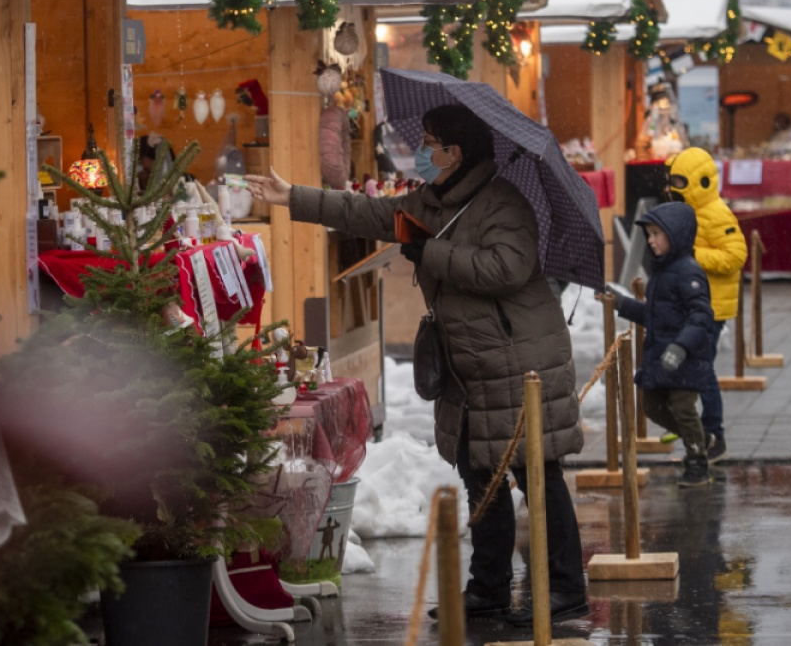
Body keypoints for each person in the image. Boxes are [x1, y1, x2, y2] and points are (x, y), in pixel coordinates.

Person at [246, 105, 589, 625]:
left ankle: (565, 589)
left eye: (431, 143)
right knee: (480, 476)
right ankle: (489, 589)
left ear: (455, 152)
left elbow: (507, 267)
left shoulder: (502, 202)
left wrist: (431, 252)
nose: (422, 152)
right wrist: (293, 196)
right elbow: (369, 214)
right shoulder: (432, 201)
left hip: (519, 361)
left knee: (537, 474)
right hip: (470, 366)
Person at [614, 202, 716, 487]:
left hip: (685, 358)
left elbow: (701, 315)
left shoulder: (688, 272)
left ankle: (698, 463)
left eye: (657, 233)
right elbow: (654, 315)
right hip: (661, 355)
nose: (651, 240)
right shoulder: (661, 271)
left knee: (682, 407)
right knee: (652, 406)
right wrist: (622, 304)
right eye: (649, 234)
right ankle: (700, 437)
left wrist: (680, 347)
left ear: (676, 235)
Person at [666, 147, 746, 463]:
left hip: (711, 308)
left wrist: (694, 255)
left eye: (679, 183)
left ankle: (713, 434)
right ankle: (700, 434)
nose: (673, 189)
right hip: (696, 305)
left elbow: (736, 255)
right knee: (697, 369)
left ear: (699, 182)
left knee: (701, 370)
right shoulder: (690, 212)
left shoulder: (716, 214)